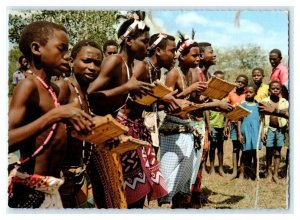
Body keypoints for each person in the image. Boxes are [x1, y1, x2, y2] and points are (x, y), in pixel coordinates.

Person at [8, 21, 94, 208]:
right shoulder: (28, 86)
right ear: (36, 48)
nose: (67, 58)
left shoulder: (53, 89)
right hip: (31, 191)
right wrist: (55, 115)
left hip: (52, 188)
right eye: (61, 49)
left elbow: (51, 136)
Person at [88, 12, 168, 208]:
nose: (148, 46)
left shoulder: (134, 66)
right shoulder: (114, 61)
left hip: (118, 132)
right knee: (112, 195)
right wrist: (127, 88)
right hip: (102, 134)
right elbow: (91, 93)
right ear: (129, 40)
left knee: (128, 192)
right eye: (144, 41)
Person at [55, 39, 103, 208]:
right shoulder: (63, 88)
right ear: (71, 61)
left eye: (97, 63)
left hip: (79, 174)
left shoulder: (85, 93)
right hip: (60, 177)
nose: (92, 67)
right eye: (86, 61)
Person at [261, 81, 289, 183]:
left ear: (280, 91)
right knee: (269, 151)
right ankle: (269, 173)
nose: (275, 90)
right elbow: (262, 118)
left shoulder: (284, 102)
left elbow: (288, 114)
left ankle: (276, 174)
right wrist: (262, 132)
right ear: (269, 90)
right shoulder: (264, 101)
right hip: (269, 129)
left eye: (277, 89)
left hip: (280, 130)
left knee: (278, 151)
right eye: (273, 88)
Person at [225, 74, 248, 180]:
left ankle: (242, 171)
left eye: (242, 83)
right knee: (235, 148)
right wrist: (226, 124)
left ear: (246, 85)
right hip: (233, 123)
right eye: (238, 81)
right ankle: (234, 171)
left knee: (243, 147)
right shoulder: (231, 94)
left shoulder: (247, 95)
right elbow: (227, 110)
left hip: (244, 124)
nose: (240, 83)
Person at [237, 85, 263, 180]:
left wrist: (262, 133)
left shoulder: (258, 106)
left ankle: (256, 174)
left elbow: (261, 120)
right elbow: (239, 120)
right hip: (245, 132)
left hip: (255, 132)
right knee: (244, 153)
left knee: (255, 154)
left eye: (250, 92)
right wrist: (239, 134)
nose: (248, 94)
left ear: (255, 94)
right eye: (246, 92)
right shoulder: (242, 105)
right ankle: (241, 173)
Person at [207, 71, 226, 176]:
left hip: (221, 125)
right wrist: (209, 126)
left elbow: (228, 111)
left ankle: (221, 168)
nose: (220, 81)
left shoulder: (225, 94)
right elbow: (206, 111)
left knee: (221, 147)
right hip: (213, 125)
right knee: (212, 147)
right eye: (218, 79)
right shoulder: (210, 94)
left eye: (222, 79)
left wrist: (226, 125)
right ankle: (212, 167)